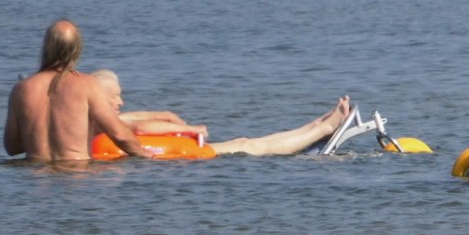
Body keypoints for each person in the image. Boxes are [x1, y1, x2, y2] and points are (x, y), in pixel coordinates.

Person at [91, 70, 351, 156]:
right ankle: (324, 127)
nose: (121, 101)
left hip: (183, 151)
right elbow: (140, 129)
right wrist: (191, 130)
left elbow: (145, 119)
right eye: (114, 96)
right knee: (248, 145)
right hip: (190, 157)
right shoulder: (103, 125)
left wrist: (175, 122)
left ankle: (321, 123)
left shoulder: (103, 120)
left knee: (247, 142)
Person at [4, 20, 154, 163]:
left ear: (46, 47)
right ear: (77, 49)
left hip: (36, 181)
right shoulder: (87, 84)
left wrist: (41, 137)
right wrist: (141, 152)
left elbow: (11, 147)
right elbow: (120, 135)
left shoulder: (21, 89)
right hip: (76, 176)